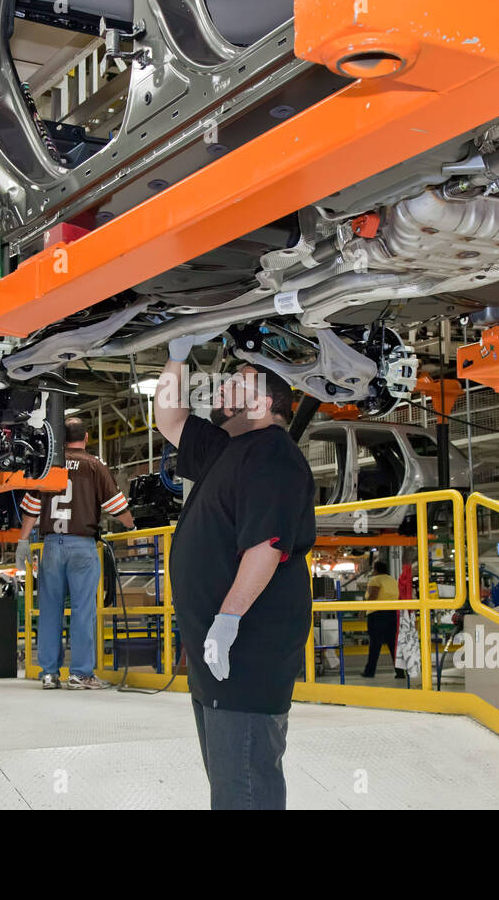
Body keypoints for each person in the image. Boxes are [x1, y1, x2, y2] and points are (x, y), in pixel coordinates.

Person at [155, 333, 316, 810]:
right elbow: (170, 417)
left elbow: (266, 545)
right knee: (230, 786)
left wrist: (227, 620)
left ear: (265, 403)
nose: (222, 389)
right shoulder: (225, 447)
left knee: (244, 785)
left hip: (246, 651)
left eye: (237, 384)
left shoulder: (273, 454)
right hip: (216, 654)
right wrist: (176, 358)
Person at [15, 417, 135, 690]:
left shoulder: (47, 465)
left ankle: (48, 673)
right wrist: (132, 524)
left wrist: (22, 541)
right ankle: (80, 674)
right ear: (87, 437)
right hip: (81, 546)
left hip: (51, 546)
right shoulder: (94, 466)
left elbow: (31, 508)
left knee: (49, 610)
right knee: (82, 610)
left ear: (60, 437)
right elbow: (116, 506)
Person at [361, 559, 399, 678]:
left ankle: (369, 672)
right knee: (393, 645)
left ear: (376, 570)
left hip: (377, 614)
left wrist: (362, 609)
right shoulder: (393, 580)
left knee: (375, 645)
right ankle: (400, 671)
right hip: (392, 613)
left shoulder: (375, 579)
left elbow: (373, 595)